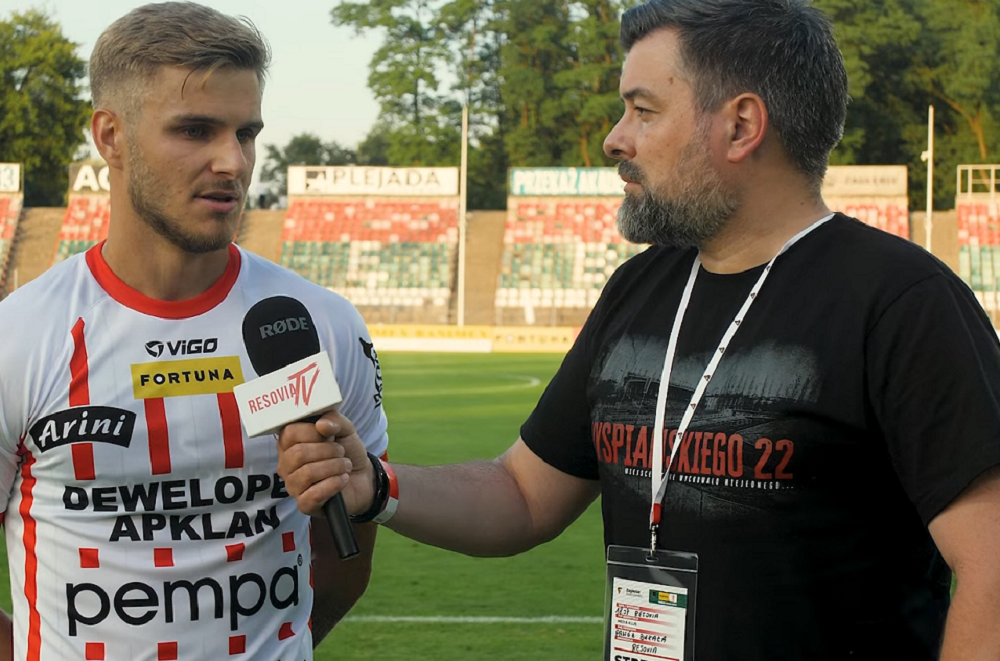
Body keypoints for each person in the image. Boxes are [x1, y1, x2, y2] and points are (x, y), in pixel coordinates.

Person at [278, 0, 1000, 659]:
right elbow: (523, 493)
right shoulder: (640, 288)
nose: (614, 138)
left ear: (741, 126)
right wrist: (378, 483)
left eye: (643, 110)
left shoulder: (902, 302)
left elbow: (992, 564)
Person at [0, 4, 388, 660]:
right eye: (195, 130)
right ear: (111, 136)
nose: (232, 161)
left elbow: (345, 553)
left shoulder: (321, 325)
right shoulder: (19, 338)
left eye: (246, 133)